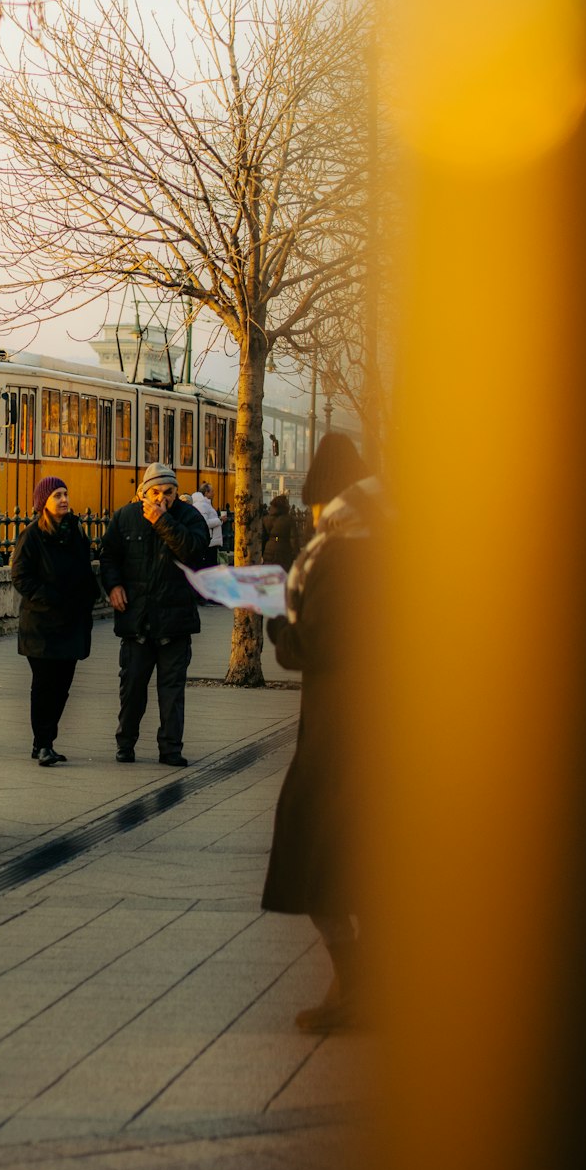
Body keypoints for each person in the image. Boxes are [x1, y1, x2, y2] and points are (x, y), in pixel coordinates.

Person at [261, 431, 375, 1034]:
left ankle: (358, 983)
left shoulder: (341, 552)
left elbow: (318, 644)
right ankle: (362, 985)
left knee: (315, 859)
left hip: (341, 733)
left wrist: (280, 626)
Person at [99, 462, 210, 767]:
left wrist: (163, 521)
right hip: (137, 619)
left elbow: (194, 552)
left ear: (177, 492)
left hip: (175, 621)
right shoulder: (125, 518)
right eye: (156, 492)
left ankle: (170, 748)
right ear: (142, 493)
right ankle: (126, 743)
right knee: (132, 687)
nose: (162, 498)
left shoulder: (189, 518)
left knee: (171, 692)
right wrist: (114, 586)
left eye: (169, 492)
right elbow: (108, 556)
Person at [10, 476, 100, 767]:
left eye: (65, 493)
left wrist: (90, 595)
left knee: (62, 687)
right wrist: (49, 596)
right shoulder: (32, 535)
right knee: (44, 685)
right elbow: (20, 576)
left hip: (72, 621)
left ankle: (44, 741)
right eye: (56, 495)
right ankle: (44, 742)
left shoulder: (76, 532)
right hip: (41, 624)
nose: (63, 499)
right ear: (43, 503)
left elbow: (85, 570)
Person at [189, 480, 225, 569]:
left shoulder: (205, 504)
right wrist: (219, 520)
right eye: (212, 491)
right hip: (209, 542)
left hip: (211, 542)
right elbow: (204, 523)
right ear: (206, 493)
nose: (214, 493)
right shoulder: (202, 505)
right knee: (209, 566)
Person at [262, 492, 299, 572]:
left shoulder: (266, 519)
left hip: (268, 551)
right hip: (284, 551)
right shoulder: (289, 519)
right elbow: (293, 539)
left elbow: (263, 538)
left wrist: (263, 552)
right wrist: (296, 554)